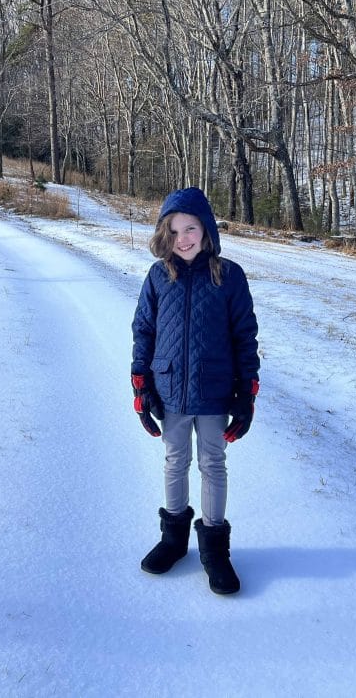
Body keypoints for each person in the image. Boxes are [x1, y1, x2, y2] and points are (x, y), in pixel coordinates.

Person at [131, 187, 260, 595]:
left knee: (212, 463)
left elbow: (245, 337)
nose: (183, 238)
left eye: (190, 228)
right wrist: (141, 384)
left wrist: (246, 395)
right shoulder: (157, 277)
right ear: (163, 235)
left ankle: (214, 550)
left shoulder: (229, 276)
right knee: (174, 461)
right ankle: (173, 540)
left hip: (213, 390)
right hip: (169, 389)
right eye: (174, 230)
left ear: (206, 231)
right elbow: (144, 332)